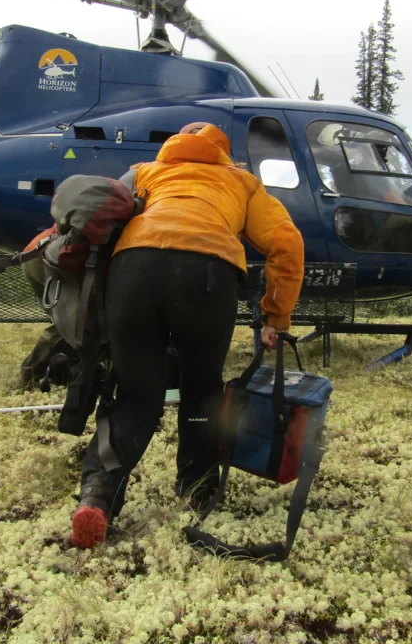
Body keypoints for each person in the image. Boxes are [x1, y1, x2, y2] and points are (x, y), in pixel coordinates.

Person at [71, 121, 305, 548]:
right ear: (222, 150)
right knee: (201, 390)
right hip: (207, 277)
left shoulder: (144, 172)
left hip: (133, 274)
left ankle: (97, 497)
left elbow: (102, 219)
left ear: (173, 147)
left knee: (136, 396)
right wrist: (275, 317)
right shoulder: (241, 180)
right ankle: (198, 491)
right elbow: (286, 242)